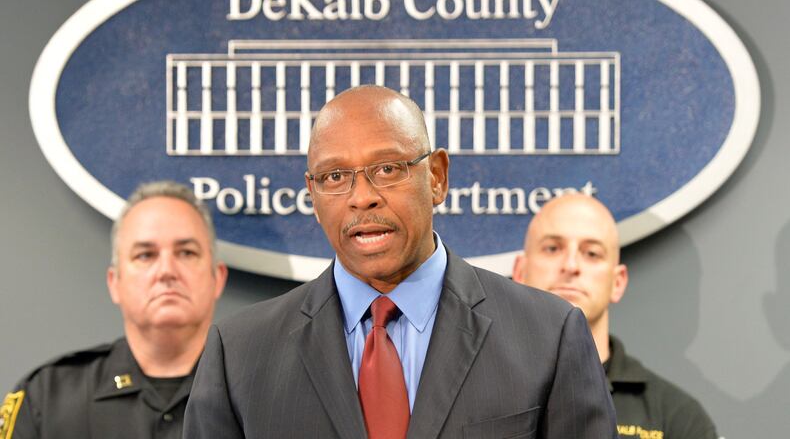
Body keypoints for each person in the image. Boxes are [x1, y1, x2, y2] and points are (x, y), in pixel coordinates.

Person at [184, 85, 616, 438]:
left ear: (437, 177)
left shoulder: (549, 336)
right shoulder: (239, 354)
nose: (362, 197)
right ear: (313, 196)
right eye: (335, 176)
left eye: (388, 169)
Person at [1, 181, 228, 439]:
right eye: (145, 255)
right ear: (114, 282)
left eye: (186, 253)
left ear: (218, 278)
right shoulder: (46, 399)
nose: (167, 271)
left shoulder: (251, 392)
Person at [512, 193, 718, 438]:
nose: (571, 265)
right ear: (520, 272)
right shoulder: (478, 388)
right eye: (552, 248)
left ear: (617, 282)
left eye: (592, 253)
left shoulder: (677, 418)